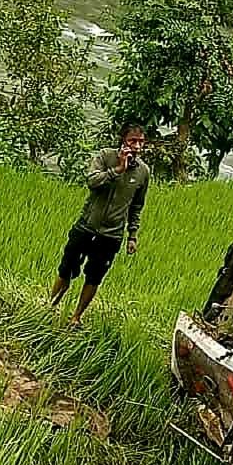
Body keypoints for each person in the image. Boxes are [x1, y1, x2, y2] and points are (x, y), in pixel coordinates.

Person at [50, 124, 150, 327]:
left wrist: (132, 235)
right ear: (123, 141)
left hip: (111, 236)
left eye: (141, 142)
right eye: (133, 141)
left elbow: (137, 206)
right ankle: (50, 306)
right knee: (66, 269)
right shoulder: (105, 157)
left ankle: (76, 317)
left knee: (94, 277)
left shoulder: (143, 172)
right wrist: (118, 169)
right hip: (86, 226)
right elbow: (92, 181)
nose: (137, 146)